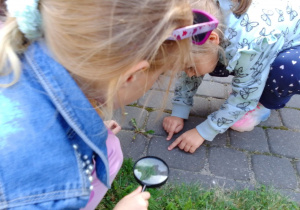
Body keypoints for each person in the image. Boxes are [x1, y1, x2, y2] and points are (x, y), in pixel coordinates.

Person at [0, 0, 200, 209]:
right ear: (131, 76)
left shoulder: (23, 51)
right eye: (159, 76)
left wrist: (84, 129)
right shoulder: (52, 188)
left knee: (111, 148)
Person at [163, 0, 300, 154]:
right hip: (255, 39)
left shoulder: (251, 44)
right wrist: (179, 111)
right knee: (212, 62)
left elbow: (244, 96)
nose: (188, 73)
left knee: (286, 70)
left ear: (213, 39)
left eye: (189, 67)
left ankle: (263, 104)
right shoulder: (203, 30)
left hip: (293, 47)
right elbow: (190, 69)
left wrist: (203, 132)